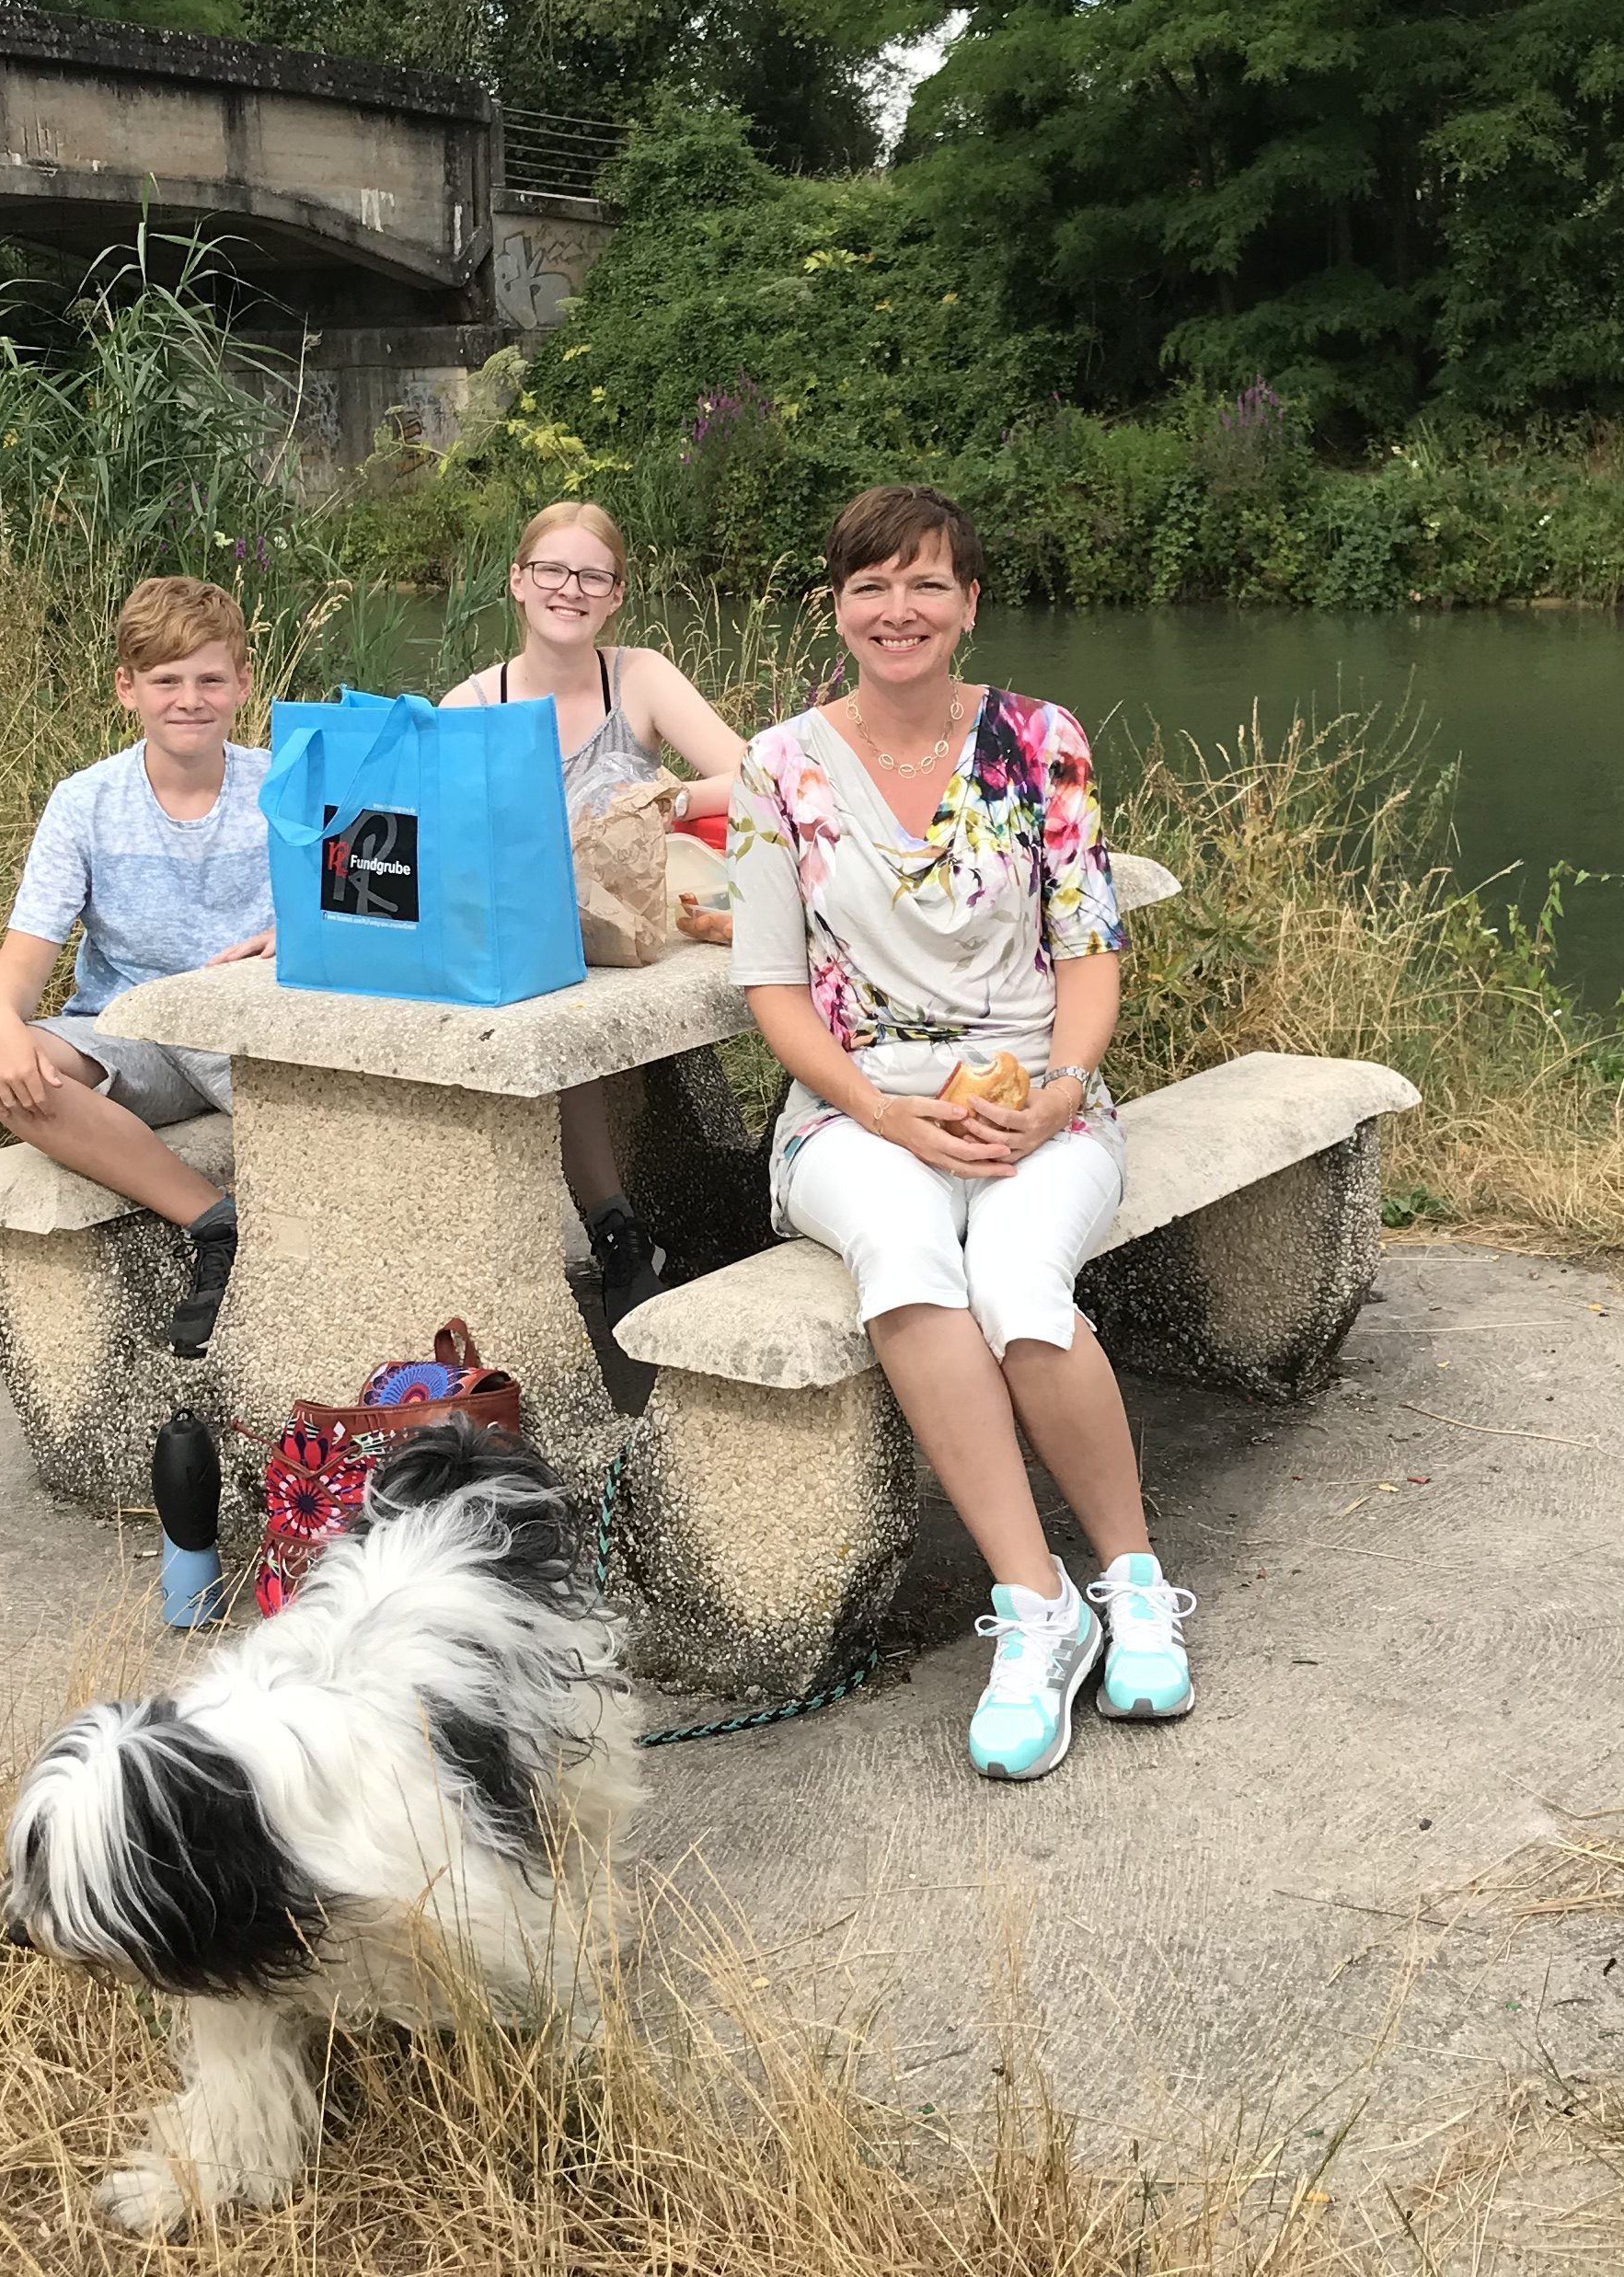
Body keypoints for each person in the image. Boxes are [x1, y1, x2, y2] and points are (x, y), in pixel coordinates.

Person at [723, 484, 1192, 1781]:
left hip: (1037, 1094)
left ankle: (1134, 1580)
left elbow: (1088, 950)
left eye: (927, 583)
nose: (899, 609)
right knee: (907, 1261)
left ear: (970, 603)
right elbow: (771, 987)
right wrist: (882, 1110)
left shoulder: (1045, 742)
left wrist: (1060, 1087)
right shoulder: (777, 768)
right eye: (871, 585)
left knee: (1020, 1278)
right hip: (856, 1108)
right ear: (838, 607)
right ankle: (1038, 1611)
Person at [440, 498, 746, 1326]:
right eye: (551, 570)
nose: (568, 589)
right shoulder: (469, 706)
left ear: (614, 595)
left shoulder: (638, 676)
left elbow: (758, 776)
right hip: (531, 935)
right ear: (517, 582)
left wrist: (668, 801)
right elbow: (418, 837)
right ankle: (613, 1227)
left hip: (635, 926)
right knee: (543, 986)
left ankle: (637, 1222)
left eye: (591, 576)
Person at [0, 575, 273, 1351]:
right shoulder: (86, 802)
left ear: (242, 682)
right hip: (131, 1032)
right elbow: (25, 957)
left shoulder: (284, 787)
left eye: (209, 679)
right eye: (166, 681)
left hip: (253, 1034)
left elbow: (363, 914)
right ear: (126, 689)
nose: (189, 699)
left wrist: (300, 940)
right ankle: (214, 1224)